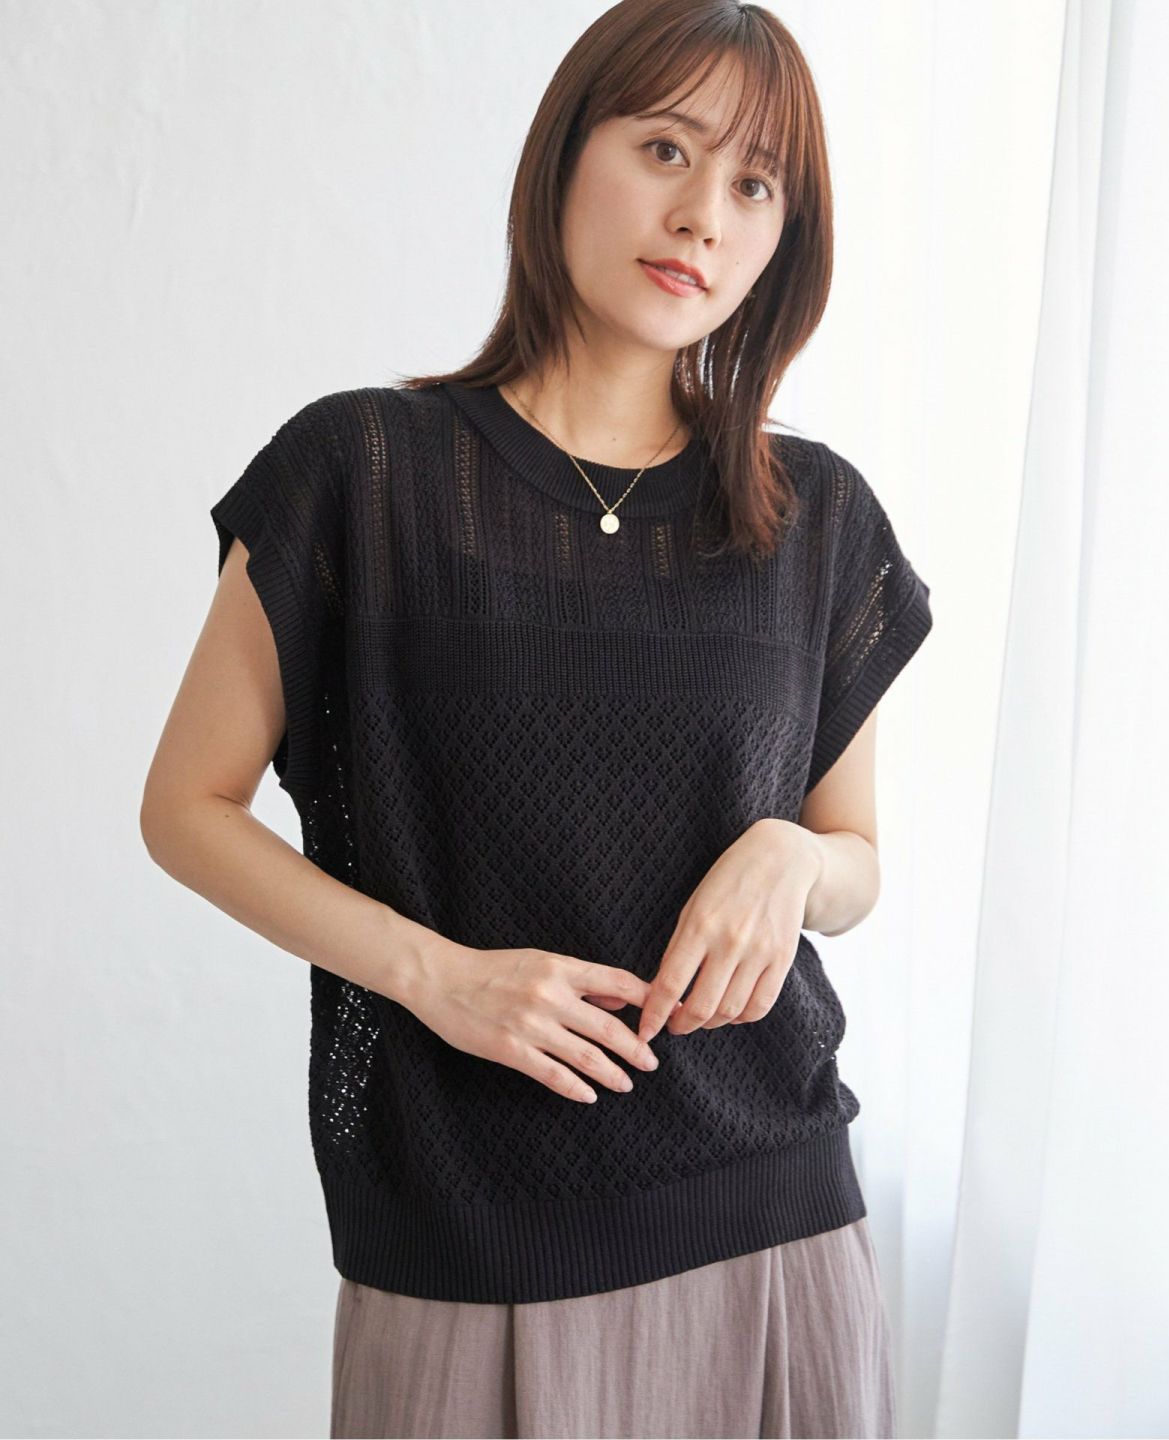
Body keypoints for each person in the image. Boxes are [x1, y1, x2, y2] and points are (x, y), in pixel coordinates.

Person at [141, 1, 933, 1435]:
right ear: (565, 154)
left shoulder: (816, 516)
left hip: (775, 1227)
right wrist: (435, 977)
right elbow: (186, 811)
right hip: (468, 1238)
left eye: (755, 184)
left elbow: (855, 860)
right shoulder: (360, 471)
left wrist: (792, 857)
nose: (702, 216)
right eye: (666, 149)